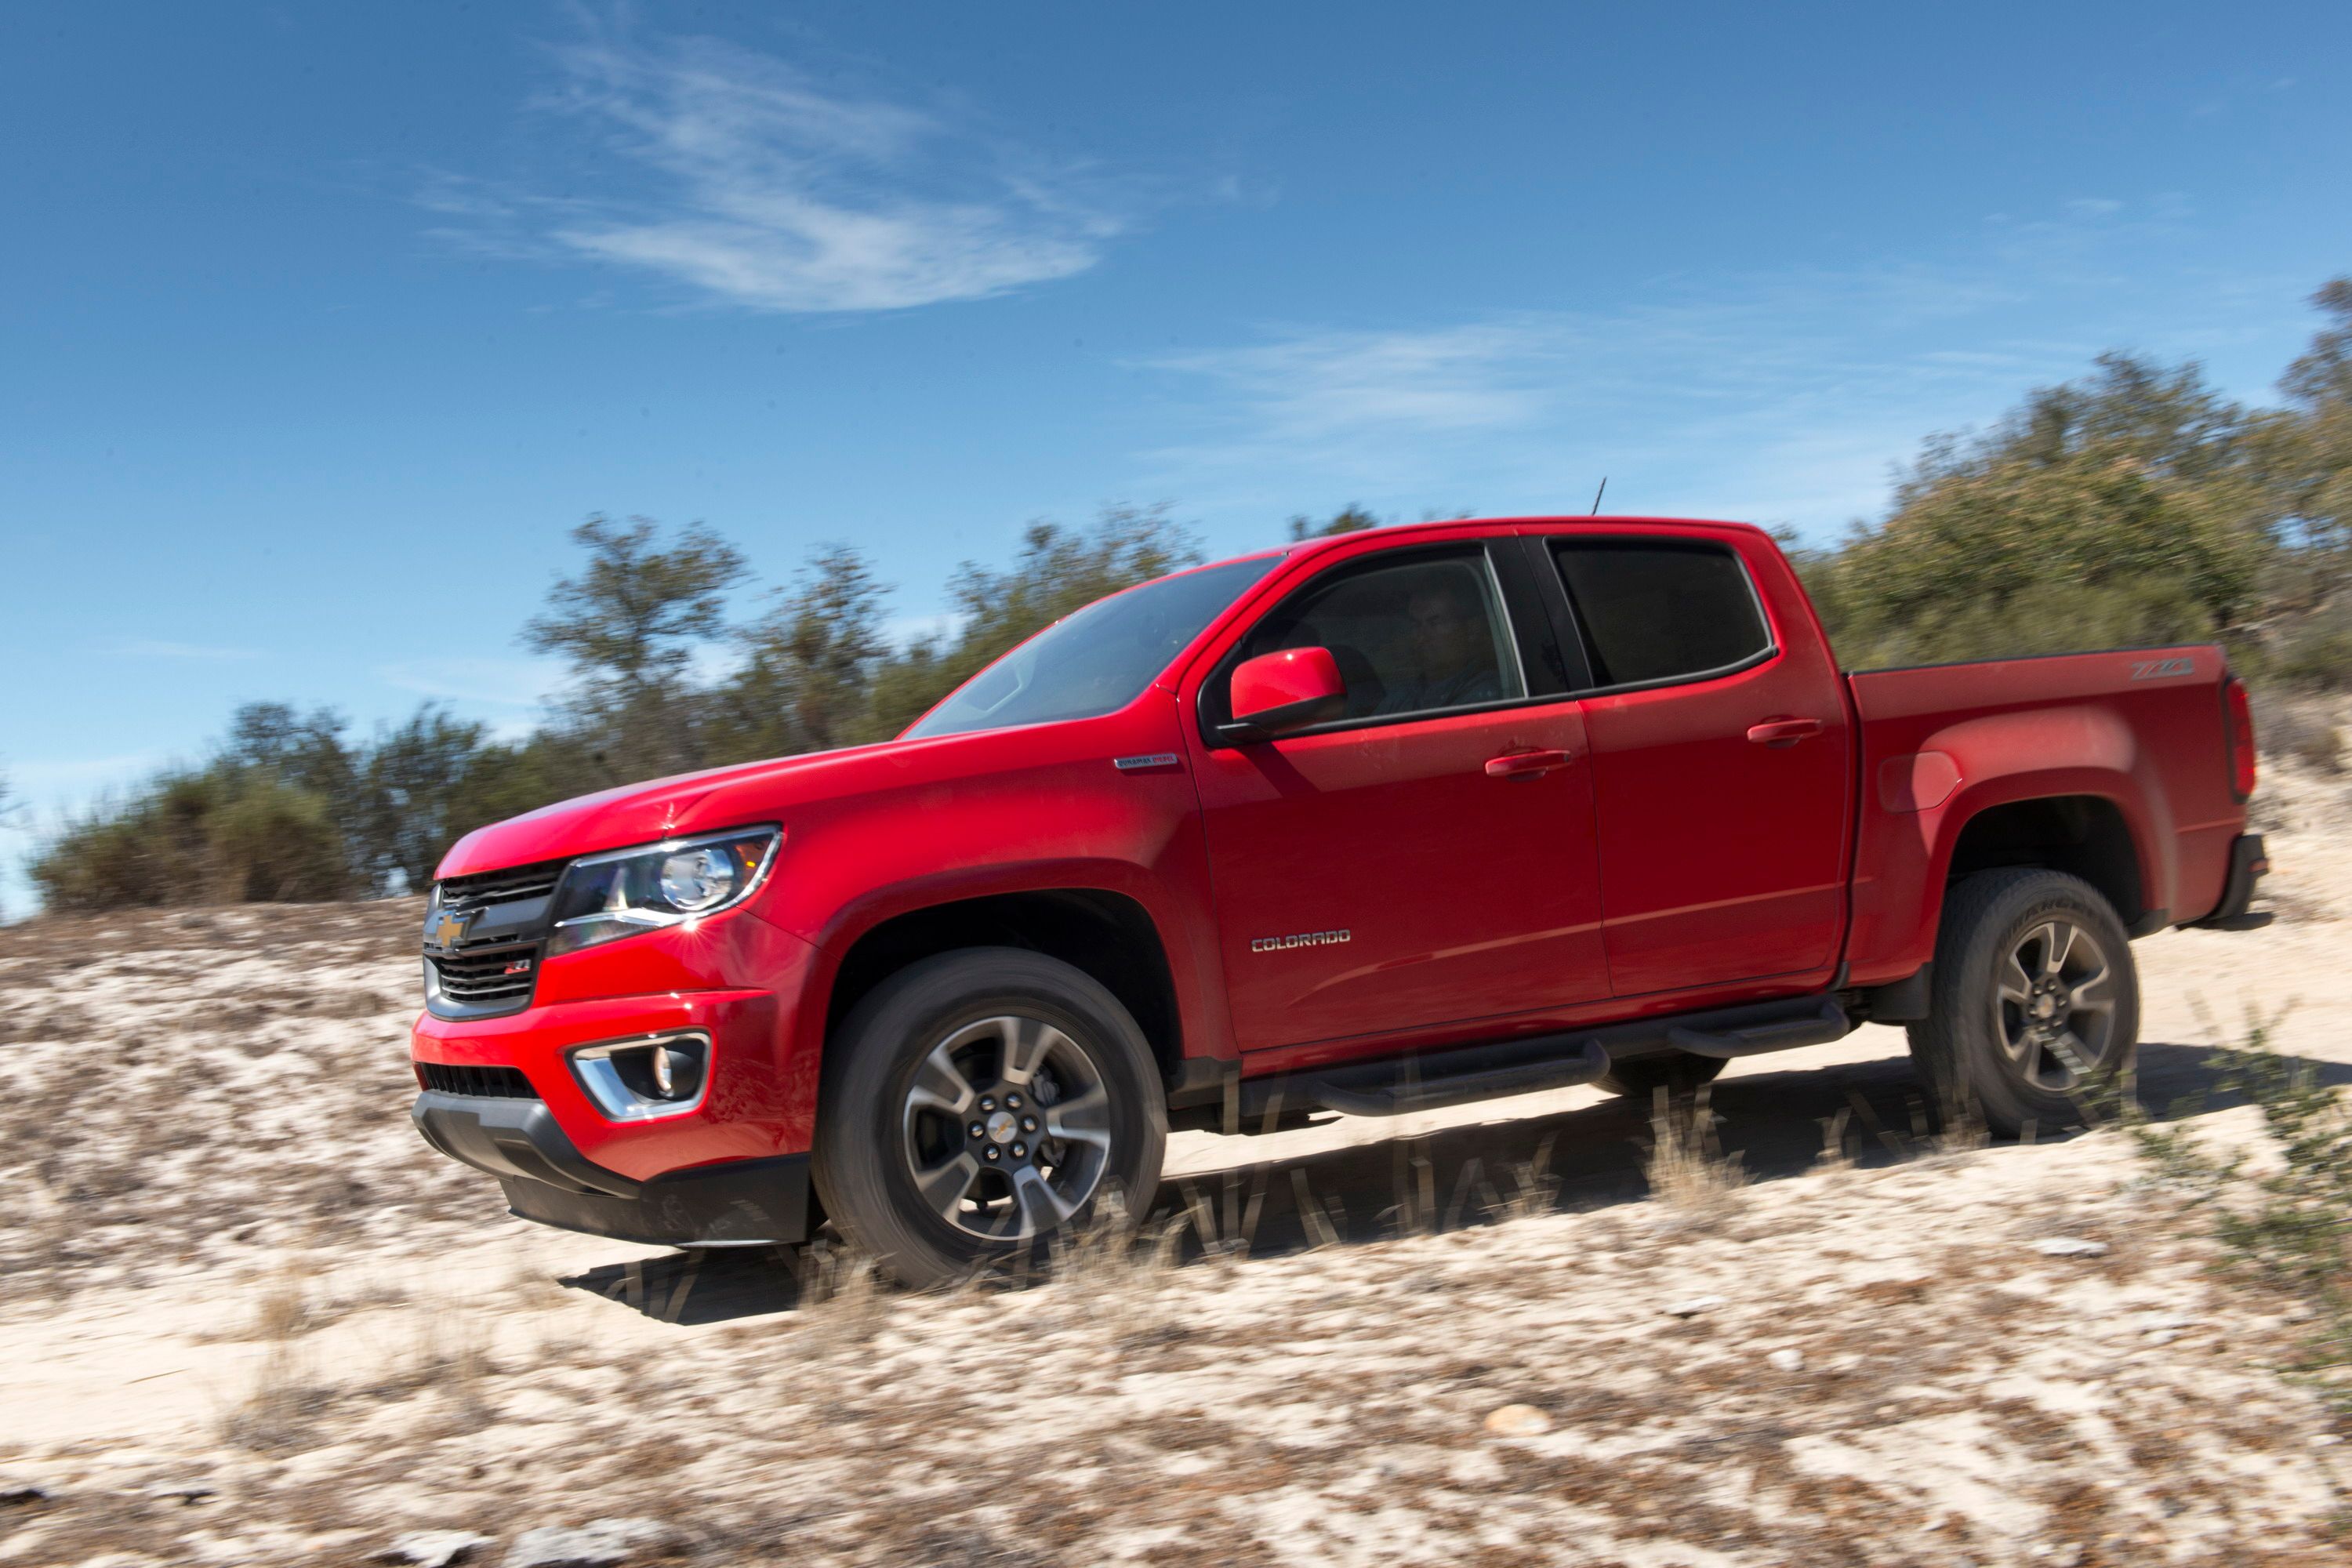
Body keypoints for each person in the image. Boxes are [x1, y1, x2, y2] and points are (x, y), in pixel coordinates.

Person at [1379, 575, 1502, 713]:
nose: (1421, 637)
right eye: (1416, 625)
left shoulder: (1485, 696)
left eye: (1435, 623)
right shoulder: (1403, 697)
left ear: (1471, 630)